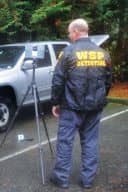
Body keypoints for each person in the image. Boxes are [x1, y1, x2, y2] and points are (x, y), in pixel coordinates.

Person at [50, 18, 112, 189]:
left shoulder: (67, 53)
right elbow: (108, 81)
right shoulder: (103, 53)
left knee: (65, 142)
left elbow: (58, 81)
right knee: (90, 142)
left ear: (76, 31)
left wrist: (55, 102)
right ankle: (87, 180)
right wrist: (100, 99)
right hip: (94, 107)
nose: (69, 36)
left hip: (71, 107)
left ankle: (61, 178)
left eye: (70, 33)